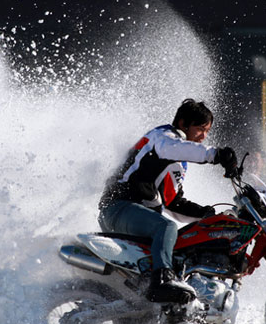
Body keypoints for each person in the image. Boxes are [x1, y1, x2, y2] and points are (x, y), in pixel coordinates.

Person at [98, 99, 238, 304]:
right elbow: (177, 148)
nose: (204, 136)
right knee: (166, 227)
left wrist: (207, 215)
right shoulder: (163, 137)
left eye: (207, 131)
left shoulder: (176, 160)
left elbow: (172, 202)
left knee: (183, 244)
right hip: (118, 206)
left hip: (133, 213)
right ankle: (161, 282)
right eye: (200, 129)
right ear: (183, 124)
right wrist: (216, 155)